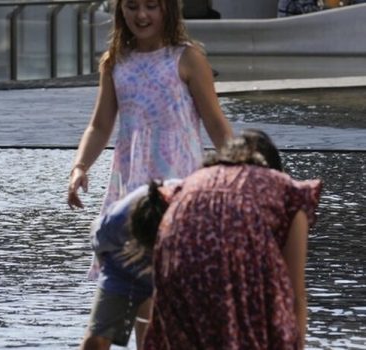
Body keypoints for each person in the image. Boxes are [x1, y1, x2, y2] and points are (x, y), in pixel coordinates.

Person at [65, 0, 233, 348]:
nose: (142, 15)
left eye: (152, 7)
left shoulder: (187, 59)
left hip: (179, 196)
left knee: (155, 308)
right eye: (132, 7)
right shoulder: (115, 62)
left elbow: (216, 125)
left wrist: (246, 175)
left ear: (168, 10)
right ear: (120, 11)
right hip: (132, 200)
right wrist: (80, 166)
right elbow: (99, 125)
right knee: (131, 310)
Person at [130, 130, 320, 349]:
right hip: (228, 255)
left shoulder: (194, 180)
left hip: (174, 252)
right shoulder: (288, 190)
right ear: (273, 167)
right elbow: (295, 295)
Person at [86, 178, 181, 349]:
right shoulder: (116, 221)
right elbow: (101, 252)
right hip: (124, 262)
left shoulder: (194, 216)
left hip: (178, 263)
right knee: (95, 340)